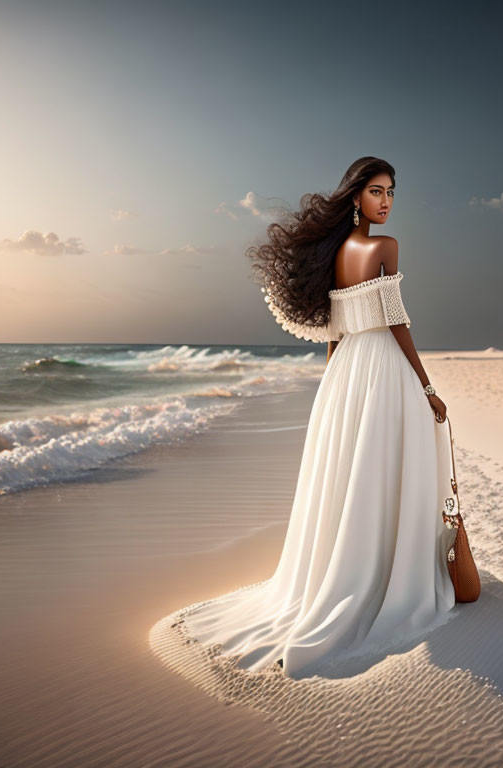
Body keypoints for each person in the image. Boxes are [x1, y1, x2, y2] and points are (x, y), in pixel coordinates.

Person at [179, 156, 457, 679]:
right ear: (356, 197)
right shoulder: (384, 249)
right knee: (385, 466)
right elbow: (396, 323)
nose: (387, 201)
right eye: (377, 191)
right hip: (381, 367)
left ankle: (347, 571)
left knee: (350, 472)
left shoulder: (335, 256)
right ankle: (384, 576)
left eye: (392, 192)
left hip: (345, 372)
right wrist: (426, 386)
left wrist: (330, 385)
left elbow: (334, 331)